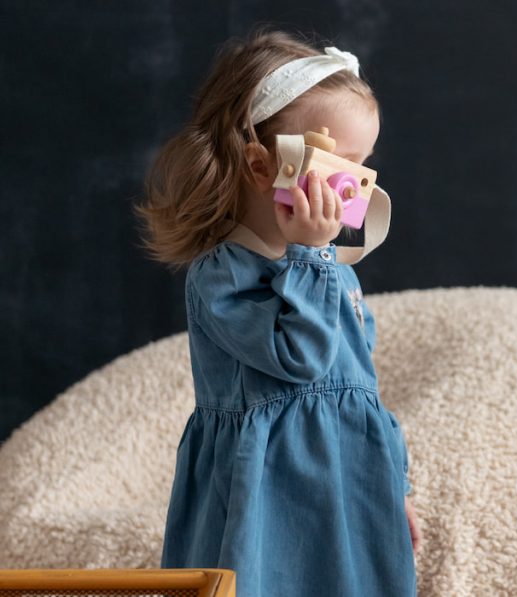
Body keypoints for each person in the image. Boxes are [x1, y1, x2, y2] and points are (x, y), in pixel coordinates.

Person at [138, 30, 419, 597]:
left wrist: (397, 485)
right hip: (269, 490)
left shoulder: (333, 270)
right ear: (264, 166)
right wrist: (312, 255)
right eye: (340, 164)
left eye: (365, 166)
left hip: (350, 479)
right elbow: (302, 357)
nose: (355, 189)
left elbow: (363, 387)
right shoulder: (223, 273)